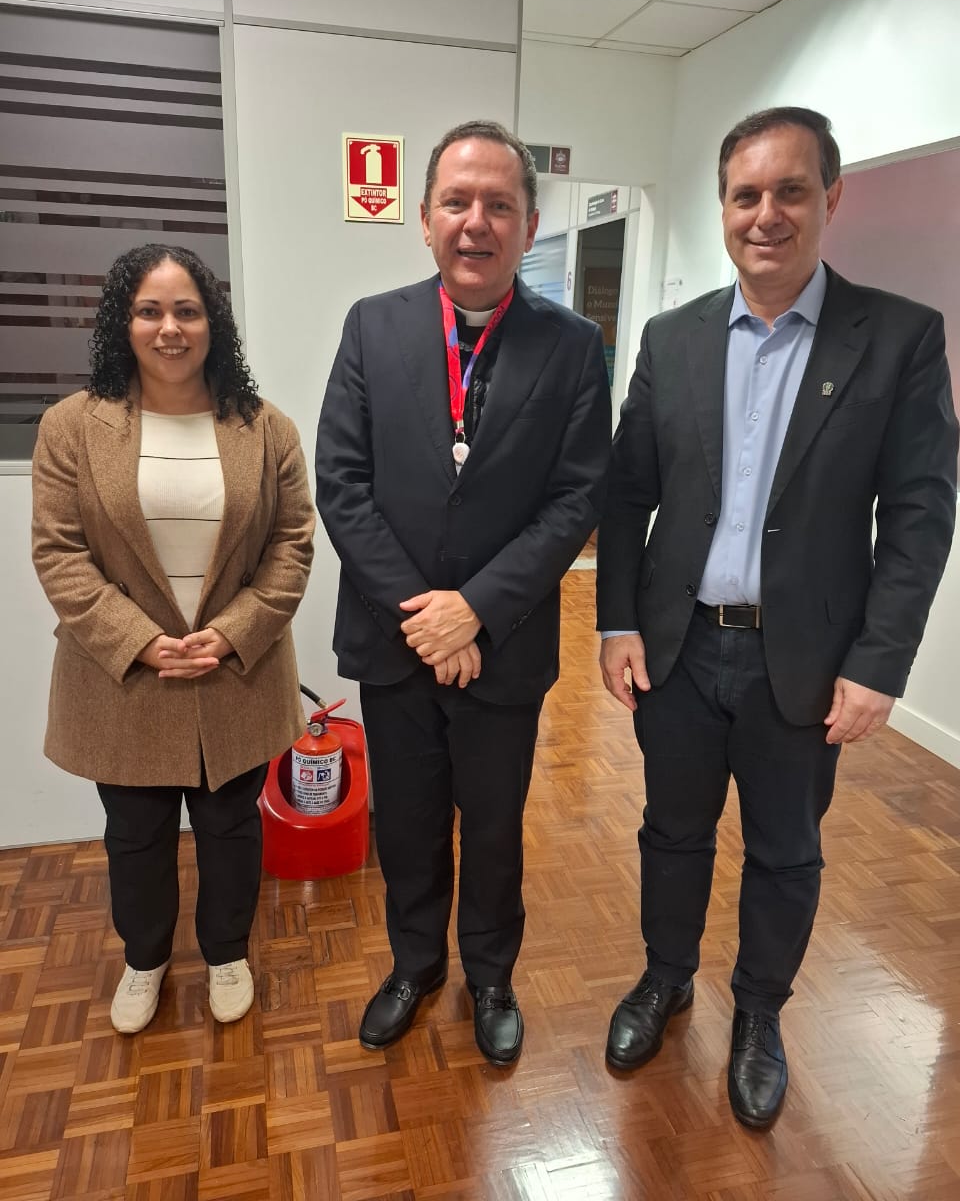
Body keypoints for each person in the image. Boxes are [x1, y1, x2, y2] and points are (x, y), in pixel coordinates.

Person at [597, 107, 958, 1127]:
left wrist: (880, 663)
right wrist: (617, 622)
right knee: (672, 831)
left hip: (803, 660)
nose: (767, 214)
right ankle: (666, 977)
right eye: (746, 194)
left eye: (790, 191)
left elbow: (921, 514)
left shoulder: (898, 338)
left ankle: (759, 1011)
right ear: (723, 207)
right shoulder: (672, 339)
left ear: (830, 199)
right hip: (677, 651)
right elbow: (627, 494)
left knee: (787, 851)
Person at [315, 119, 610, 1065]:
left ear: (529, 225)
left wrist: (475, 607)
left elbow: (577, 498)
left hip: (503, 643)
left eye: (498, 205)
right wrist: (429, 619)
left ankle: (490, 975)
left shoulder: (574, 346)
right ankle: (414, 965)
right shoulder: (373, 325)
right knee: (405, 824)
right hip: (395, 641)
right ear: (424, 218)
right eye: (455, 201)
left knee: (491, 828)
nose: (475, 222)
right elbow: (342, 484)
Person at [32, 243, 315, 1034]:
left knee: (231, 828)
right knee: (136, 834)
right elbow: (59, 552)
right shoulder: (71, 428)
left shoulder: (266, 429)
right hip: (123, 676)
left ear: (211, 323)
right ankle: (144, 959)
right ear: (122, 324)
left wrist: (231, 632)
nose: (169, 328)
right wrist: (138, 640)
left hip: (234, 670)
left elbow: (293, 544)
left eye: (187, 311)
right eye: (149, 311)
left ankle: (227, 953)